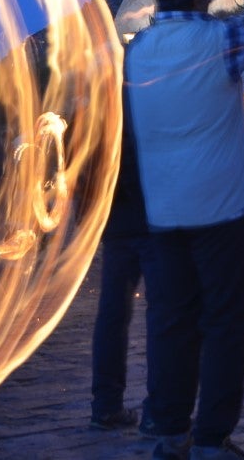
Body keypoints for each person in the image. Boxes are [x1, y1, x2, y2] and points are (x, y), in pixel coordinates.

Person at [125, 0, 244, 460]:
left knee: (171, 320)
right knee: (227, 322)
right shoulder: (217, 43)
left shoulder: (136, 55)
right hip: (222, 206)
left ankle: (170, 429)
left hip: (164, 211)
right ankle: (213, 438)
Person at [90, 78, 154, 430]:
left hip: (116, 224)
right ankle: (158, 411)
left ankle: (105, 405)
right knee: (162, 316)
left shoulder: (99, 106)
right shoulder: (146, 98)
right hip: (151, 222)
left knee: (112, 317)